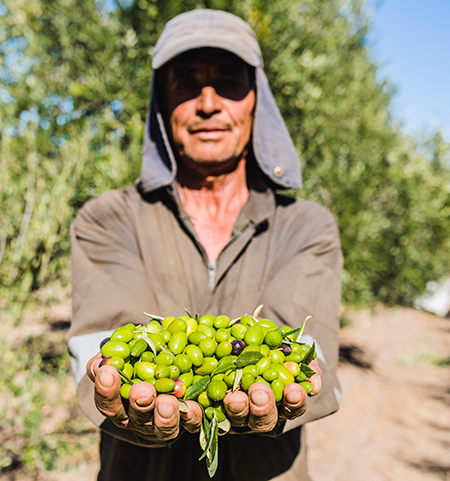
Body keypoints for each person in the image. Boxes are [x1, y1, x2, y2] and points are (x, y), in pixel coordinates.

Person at [66, 9, 342, 480]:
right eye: (186, 83)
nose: (208, 103)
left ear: (257, 101)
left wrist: (289, 388)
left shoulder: (305, 226)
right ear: (162, 101)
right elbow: (105, 346)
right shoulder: (110, 218)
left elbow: (305, 355)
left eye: (230, 82)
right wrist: (108, 389)